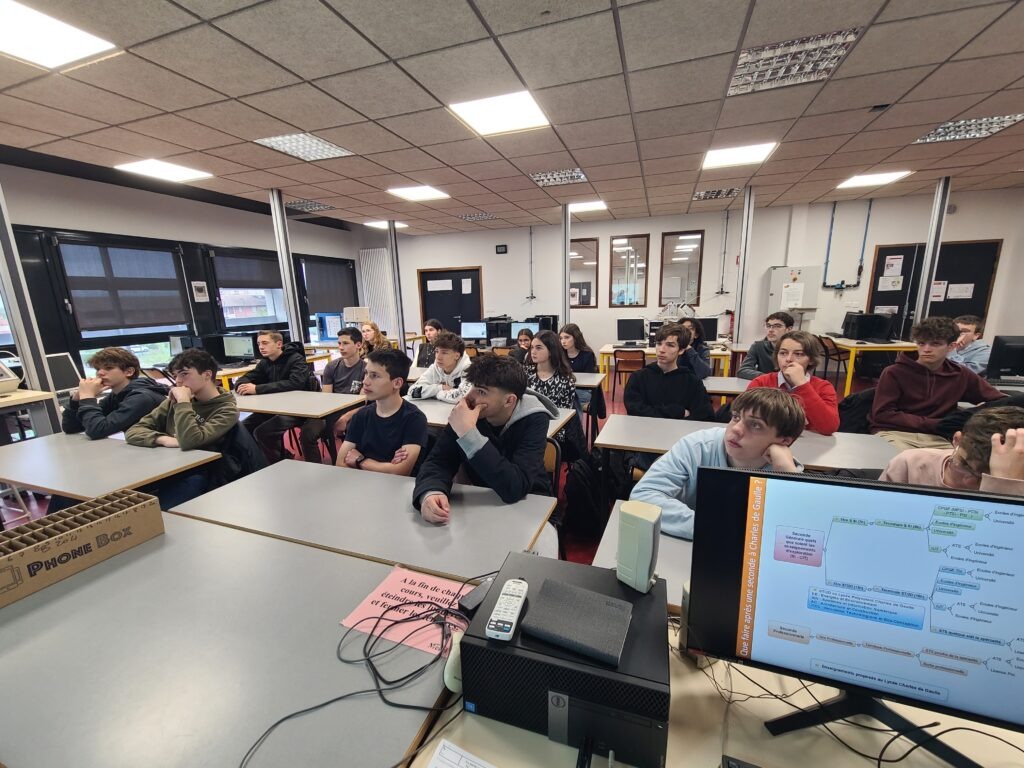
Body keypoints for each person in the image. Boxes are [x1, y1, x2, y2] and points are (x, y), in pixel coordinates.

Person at [630, 389, 805, 539]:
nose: (736, 429)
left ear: (784, 441)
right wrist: (715, 529)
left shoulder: (784, 468)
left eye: (755, 425)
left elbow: (799, 534)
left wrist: (788, 474)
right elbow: (643, 495)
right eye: (736, 417)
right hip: (688, 546)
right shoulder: (698, 446)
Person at [413, 354, 557, 523]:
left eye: (481, 391)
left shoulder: (534, 419)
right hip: (481, 501)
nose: (468, 397)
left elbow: (515, 487)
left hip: (531, 501)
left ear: (509, 401)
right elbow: (439, 461)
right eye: (471, 386)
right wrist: (430, 492)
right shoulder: (468, 410)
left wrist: (468, 434)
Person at [125, 349, 239, 508]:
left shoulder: (226, 410)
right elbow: (133, 431)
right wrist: (163, 439)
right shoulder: (174, 401)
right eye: (175, 375)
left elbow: (189, 441)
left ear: (207, 375)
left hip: (198, 472)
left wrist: (184, 403)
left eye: (184, 374)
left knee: (158, 510)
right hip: (166, 466)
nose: (178, 381)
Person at [870, 317, 1004, 450]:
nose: (926, 349)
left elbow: (1000, 400)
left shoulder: (960, 374)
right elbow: (883, 414)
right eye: (921, 343)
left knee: (962, 461)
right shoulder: (894, 372)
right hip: (895, 433)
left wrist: (974, 414)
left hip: (938, 438)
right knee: (903, 459)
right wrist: (937, 424)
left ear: (951, 346)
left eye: (935, 344)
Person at [879, 406, 1024, 495]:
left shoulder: (1015, 483)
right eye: (965, 464)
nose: (969, 481)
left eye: (986, 476)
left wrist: (1005, 486)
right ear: (956, 440)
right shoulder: (909, 465)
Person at [337, 348, 427, 476]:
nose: (365, 382)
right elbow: (340, 463)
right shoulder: (361, 416)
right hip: (361, 483)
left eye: (374, 376)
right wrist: (387, 467)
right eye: (366, 374)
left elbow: (400, 471)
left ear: (397, 383)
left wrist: (360, 460)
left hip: (395, 486)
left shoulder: (414, 419)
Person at [235, 330, 314, 463]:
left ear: (279, 344)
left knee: (263, 432)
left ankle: (278, 462)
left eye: (265, 343)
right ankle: (274, 457)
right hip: (273, 408)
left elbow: (295, 383)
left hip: (297, 409)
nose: (261, 347)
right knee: (243, 428)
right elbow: (247, 377)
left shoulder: (295, 359)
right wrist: (241, 385)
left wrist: (257, 389)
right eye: (259, 344)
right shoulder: (265, 362)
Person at [61, 347, 167, 439]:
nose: (100, 373)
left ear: (129, 371)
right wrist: (76, 400)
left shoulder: (142, 397)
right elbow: (72, 428)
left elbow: (97, 431)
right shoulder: (115, 395)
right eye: (98, 369)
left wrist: (88, 397)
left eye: (108, 368)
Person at [746, 330, 839, 435]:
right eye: (783, 353)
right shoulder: (761, 383)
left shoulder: (823, 387)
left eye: (798, 354)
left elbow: (829, 427)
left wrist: (802, 385)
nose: (789, 359)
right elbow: (747, 420)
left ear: (811, 359)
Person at [299, 327, 366, 463]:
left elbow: (364, 401)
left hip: (355, 412)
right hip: (332, 410)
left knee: (357, 429)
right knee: (307, 433)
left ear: (358, 345)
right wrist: (331, 417)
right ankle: (315, 466)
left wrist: (345, 417)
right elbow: (327, 398)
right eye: (339, 343)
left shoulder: (366, 369)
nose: (341, 347)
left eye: (345, 343)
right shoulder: (331, 367)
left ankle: (353, 463)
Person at [624, 323, 714, 421]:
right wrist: (678, 412)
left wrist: (653, 411)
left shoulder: (692, 381)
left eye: (670, 345)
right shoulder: (638, 378)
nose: (662, 350)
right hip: (645, 428)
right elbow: (634, 410)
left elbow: (704, 414)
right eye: (659, 344)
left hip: (680, 430)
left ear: (681, 350)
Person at [408, 331, 472, 403]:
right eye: (437, 351)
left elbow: (463, 397)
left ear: (457, 356)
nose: (438, 357)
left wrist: (437, 394)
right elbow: (411, 392)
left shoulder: (468, 370)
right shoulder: (435, 368)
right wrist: (441, 388)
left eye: (444, 353)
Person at [737, 311, 794, 380]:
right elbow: (743, 371)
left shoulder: (797, 349)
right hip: (766, 384)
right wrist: (771, 378)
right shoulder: (758, 346)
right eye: (768, 326)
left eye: (777, 326)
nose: (770, 330)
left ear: (789, 329)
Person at [559, 323, 597, 407]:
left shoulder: (587, 355)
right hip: (564, 388)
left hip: (582, 390)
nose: (563, 341)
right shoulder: (559, 354)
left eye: (567, 337)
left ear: (575, 338)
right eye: (561, 338)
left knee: (567, 399)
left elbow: (589, 380)